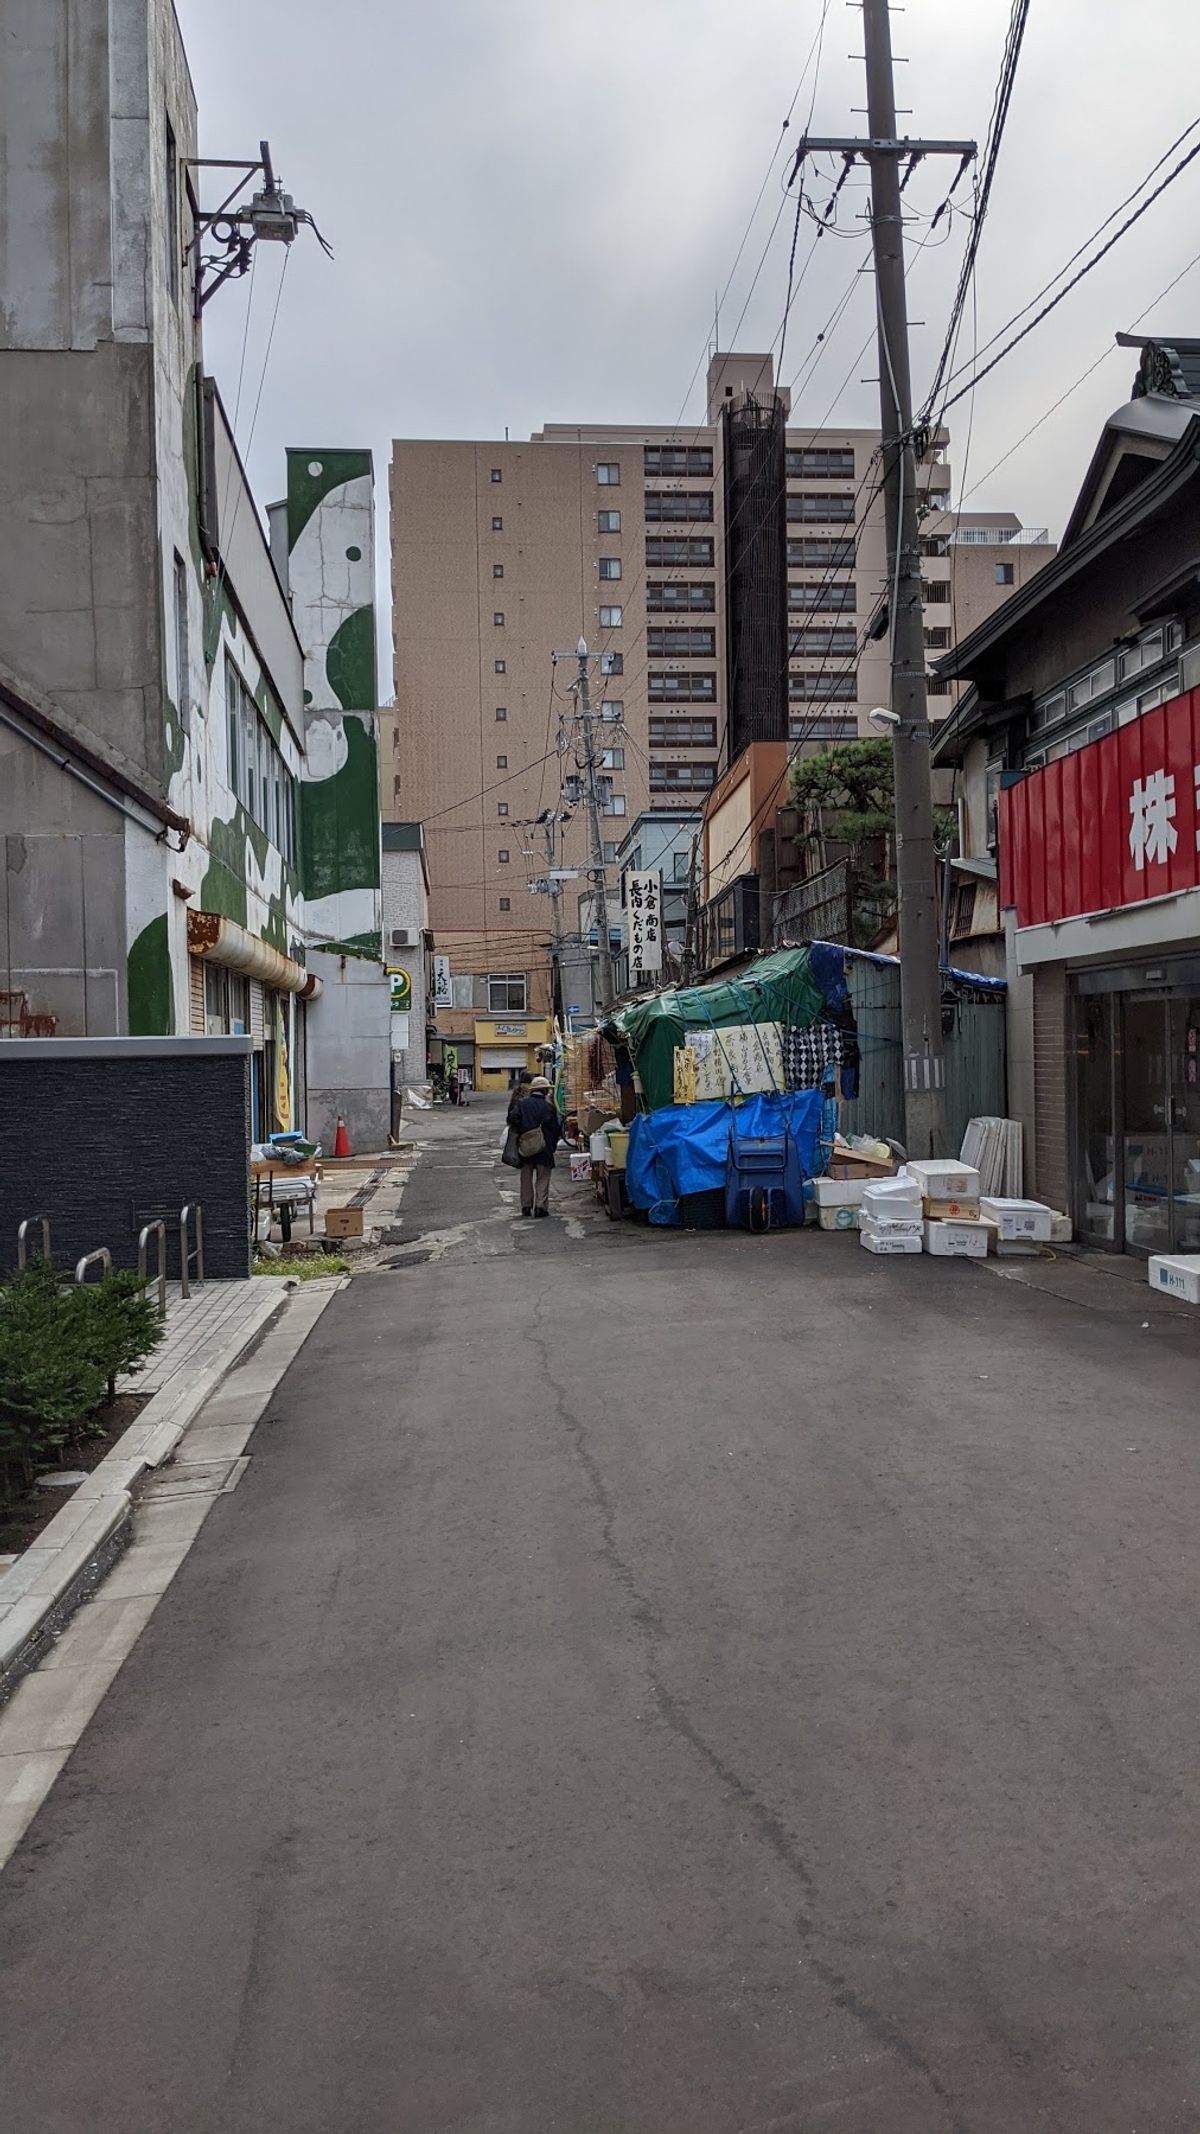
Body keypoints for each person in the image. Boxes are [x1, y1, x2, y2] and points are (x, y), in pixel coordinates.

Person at [506, 1073, 562, 1218]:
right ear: (545, 1090)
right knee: (543, 1178)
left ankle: (526, 1206)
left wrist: (523, 1131)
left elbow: (512, 1118)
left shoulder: (522, 1104)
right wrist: (552, 1146)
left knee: (526, 1178)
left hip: (526, 1147)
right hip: (544, 1148)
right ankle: (540, 1207)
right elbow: (556, 1129)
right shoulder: (549, 1107)